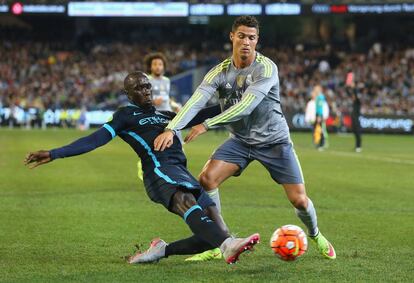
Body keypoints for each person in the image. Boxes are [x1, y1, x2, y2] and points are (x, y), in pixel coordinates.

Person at [24, 71, 260, 265]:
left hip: (181, 170)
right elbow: (94, 140)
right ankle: (229, 246)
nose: (145, 90)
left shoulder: (167, 115)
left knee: (214, 233)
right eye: (138, 88)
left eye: (147, 86)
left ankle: (161, 250)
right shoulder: (125, 116)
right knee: (189, 205)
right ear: (127, 94)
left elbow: (203, 113)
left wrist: (241, 99)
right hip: (158, 172)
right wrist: (54, 154)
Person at [154, 16, 336, 261]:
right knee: (207, 180)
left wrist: (206, 125)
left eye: (251, 37)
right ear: (232, 37)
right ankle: (221, 241)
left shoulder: (266, 68)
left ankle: (315, 234)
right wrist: (172, 128)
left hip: (274, 142)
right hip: (240, 141)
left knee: (300, 201)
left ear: (257, 40)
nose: (246, 42)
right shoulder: (219, 72)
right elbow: (196, 101)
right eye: (241, 36)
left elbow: (246, 106)